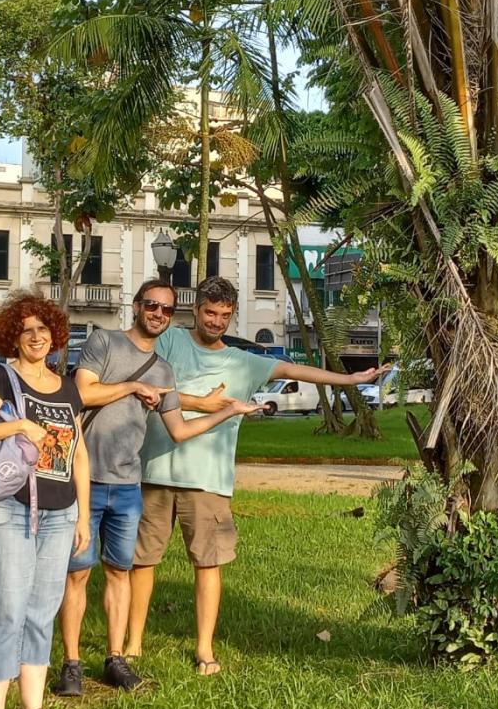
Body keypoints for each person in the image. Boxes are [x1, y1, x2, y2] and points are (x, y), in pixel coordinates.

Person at [127, 276, 384, 675]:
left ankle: (205, 650)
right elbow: (133, 358)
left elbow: (295, 368)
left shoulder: (244, 362)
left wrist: (349, 379)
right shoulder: (171, 341)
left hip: (207, 480)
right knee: (142, 562)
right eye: (209, 312)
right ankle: (132, 645)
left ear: (232, 316)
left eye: (224, 315)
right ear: (195, 309)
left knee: (208, 564)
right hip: (155, 471)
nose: (215, 321)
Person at [55, 278, 262, 696]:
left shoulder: (163, 371)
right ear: (136, 306)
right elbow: (84, 393)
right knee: (77, 574)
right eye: (152, 305)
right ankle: (71, 664)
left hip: (129, 484)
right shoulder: (104, 342)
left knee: (120, 572)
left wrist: (228, 411)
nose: (158, 314)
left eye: (167, 310)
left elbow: (180, 430)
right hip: (85, 479)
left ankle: (116, 658)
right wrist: (133, 386)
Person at [0, 291, 90, 709]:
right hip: (5, 509)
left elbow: (80, 455)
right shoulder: (0, 378)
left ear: (55, 334)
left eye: (43, 328)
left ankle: (33, 707)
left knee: (42, 610)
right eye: (26, 329)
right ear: (14, 336)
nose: (36, 336)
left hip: (60, 512)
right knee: (7, 609)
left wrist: (83, 516)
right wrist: (16, 426)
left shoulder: (68, 386)